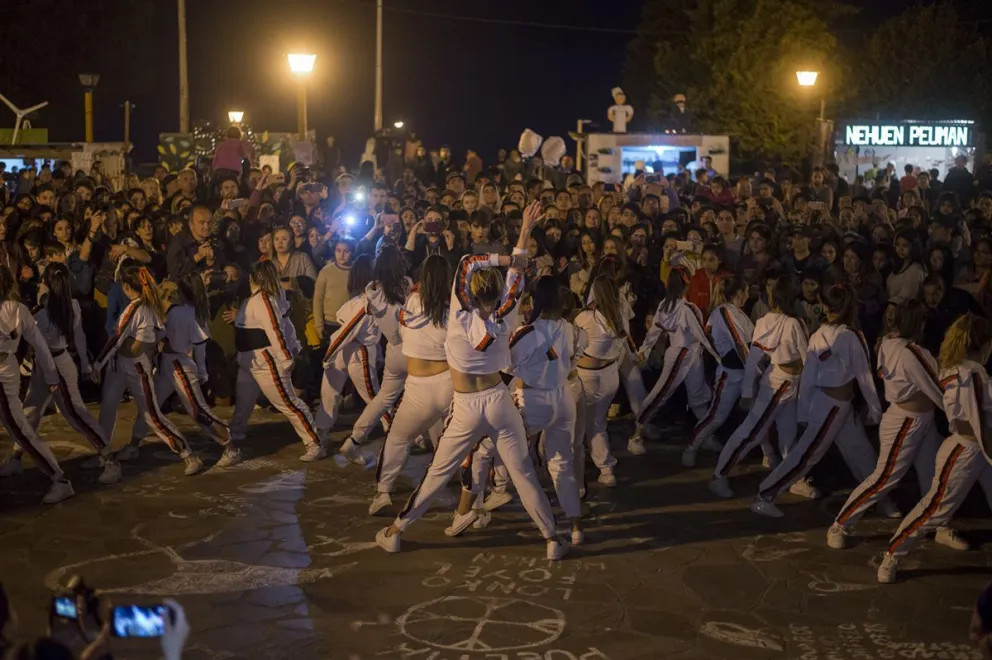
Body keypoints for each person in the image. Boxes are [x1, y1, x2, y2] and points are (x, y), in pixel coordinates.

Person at [375, 201, 570, 560]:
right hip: (499, 400)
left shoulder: (460, 315)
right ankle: (552, 538)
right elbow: (515, 274)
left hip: (467, 406)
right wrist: (523, 234)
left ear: (466, 291)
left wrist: (505, 258)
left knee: (437, 473)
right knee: (523, 473)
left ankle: (395, 530)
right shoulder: (508, 311)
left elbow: (467, 262)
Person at [826, 299, 967, 550]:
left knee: (934, 476)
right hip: (906, 423)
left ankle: (940, 526)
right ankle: (840, 524)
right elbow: (937, 389)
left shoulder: (888, 342)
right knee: (884, 478)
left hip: (917, 421)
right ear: (917, 322)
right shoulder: (910, 352)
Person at [749, 283, 884, 517]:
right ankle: (765, 495)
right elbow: (863, 377)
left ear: (824, 305)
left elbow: (816, 376)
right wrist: (875, 410)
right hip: (829, 409)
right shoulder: (839, 335)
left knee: (861, 452)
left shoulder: (834, 335)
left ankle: (880, 498)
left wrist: (804, 410)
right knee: (806, 455)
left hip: (839, 408)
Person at [878, 313, 992, 583]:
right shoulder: (971, 375)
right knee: (934, 510)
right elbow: (976, 422)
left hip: (976, 451)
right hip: (965, 452)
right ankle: (893, 554)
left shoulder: (958, 369)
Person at [2, 264, 118, 485]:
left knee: (75, 414)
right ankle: (15, 459)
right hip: (56, 363)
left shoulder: (41, 314)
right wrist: (85, 365)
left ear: (46, 284)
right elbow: (80, 337)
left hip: (55, 368)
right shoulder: (71, 305)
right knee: (30, 412)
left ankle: (110, 460)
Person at [94, 265, 202, 475]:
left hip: (135, 367)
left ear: (126, 287)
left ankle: (188, 454)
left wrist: (98, 363)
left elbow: (116, 338)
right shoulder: (150, 307)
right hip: (125, 365)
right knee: (109, 406)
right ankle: (102, 455)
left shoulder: (136, 308)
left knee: (151, 415)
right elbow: (159, 332)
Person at [370, 255, 453, 515]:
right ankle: (472, 490)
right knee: (456, 439)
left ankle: (384, 491)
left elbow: (402, 332)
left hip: (419, 387)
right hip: (450, 384)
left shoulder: (413, 302)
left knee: (398, 438)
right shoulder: (455, 309)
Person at [131, 272, 241, 468]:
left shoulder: (181, 312)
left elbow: (195, 344)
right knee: (150, 405)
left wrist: (200, 371)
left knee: (198, 411)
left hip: (179, 367)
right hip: (170, 365)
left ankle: (231, 448)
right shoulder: (191, 312)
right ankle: (133, 444)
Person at [711, 277, 807, 497]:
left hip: (786, 384)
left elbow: (754, 357)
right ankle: (719, 475)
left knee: (788, 434)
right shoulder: (789, 323)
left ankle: (794, 478)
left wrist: (747, 391)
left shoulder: (772, 321)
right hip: (778, 385)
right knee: (751, 433)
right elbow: (804, 359)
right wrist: (746, 392)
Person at [508, 276, 584, 544]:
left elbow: (506, 363)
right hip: (563, 399)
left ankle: (490, 496)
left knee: (497, 449)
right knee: (562, 463)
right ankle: (576, 527)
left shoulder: (527, 332)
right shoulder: (569, 328)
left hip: (533, 399)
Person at [229, 261, 323, 460]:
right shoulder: (256, 299)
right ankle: (234, 442)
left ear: (252, 278)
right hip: (249, 363)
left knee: (288, 403)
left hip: (265, 362)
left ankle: (314, 443)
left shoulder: (263, 299)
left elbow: (275, 329)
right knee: (243, 405)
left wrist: (286, 359)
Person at [0, 266, 72, 503]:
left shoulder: (15, 311)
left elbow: (40, 346)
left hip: (3, 375)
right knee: (19, 426)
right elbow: (40, 346)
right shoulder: (19, 310)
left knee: (19, 427)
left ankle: (60, 480)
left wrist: (51, 377)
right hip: (7, 369)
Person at [336, 247, 411, 463]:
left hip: (392, 350)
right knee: (429, 395)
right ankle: (427, 444)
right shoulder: (405, 284)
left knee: (383, 398)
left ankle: (355, 439)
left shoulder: (371, 289)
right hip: (411, 349)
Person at [634, 267, 720, 446]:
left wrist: (645, 349)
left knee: (696, 397)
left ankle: (706, 437)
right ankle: (636, 433)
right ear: (686, 284)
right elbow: (703, 336)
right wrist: (719, 358)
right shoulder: (688, 309)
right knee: (661, 393)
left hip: (686, 354)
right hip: (682, 355)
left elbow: (654, 331)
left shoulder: (665, 305)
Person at [683, 276, 752, 467]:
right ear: (739, 294)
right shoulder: (724, 313)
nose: (748, 294)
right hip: (730, 376)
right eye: (746, 291)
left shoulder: (738, 313)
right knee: (716, 417)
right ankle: (691, 447)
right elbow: (739, 344)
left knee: (758, 415)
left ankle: (768, 454)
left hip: (744, 373)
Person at [575, 275, 633, 486]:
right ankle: (603, 465)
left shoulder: (586, 317)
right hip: (610, 376)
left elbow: (572, 343)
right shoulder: (619, 314)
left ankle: (601, 468)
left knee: (586, 425)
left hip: (589, 379)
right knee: (597, 422)